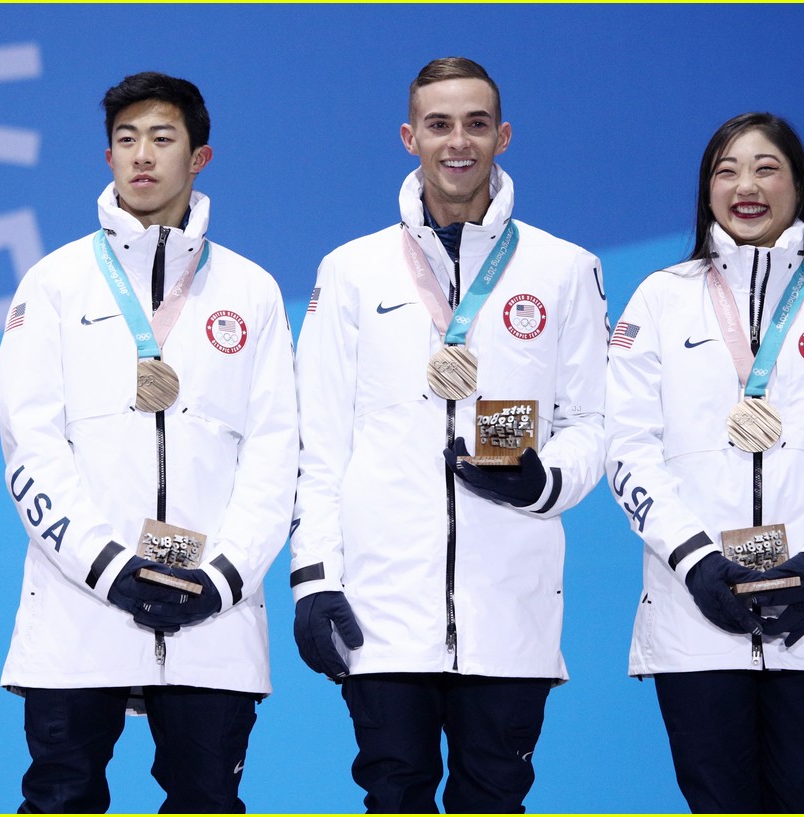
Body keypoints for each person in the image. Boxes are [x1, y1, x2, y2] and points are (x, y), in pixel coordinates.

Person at [289, 57, 606, 813]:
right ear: (409, 137)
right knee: (393, 795)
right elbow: (320, 442)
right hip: (383, 607)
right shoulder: (353, 270)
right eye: (438, 124)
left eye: (474, 123)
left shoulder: (565, 269)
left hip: (511, 603)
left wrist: (545, 480)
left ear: (503, 136)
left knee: (494, 799)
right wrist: (313, 576)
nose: (456, 141)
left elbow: (594, 423)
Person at [0, 72, 298, 813]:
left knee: (206, 803)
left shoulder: (252, 291)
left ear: (201, 157)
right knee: (60, 799)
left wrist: (223, 578)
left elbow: (276, 451)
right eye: (126, 140)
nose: (142, 156)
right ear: (108, 159)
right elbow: (29, 443)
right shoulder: (55, 281)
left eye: (163, 138)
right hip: (76, 606)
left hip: (213, 615)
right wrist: (107, 567)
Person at [603, 112, 804, 812]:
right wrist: (698, 563)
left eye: (765, 167)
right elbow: (626, 447)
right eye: (727, 170)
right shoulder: (660, 298)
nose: (745, 185)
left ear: (800, 184)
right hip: (696, 615)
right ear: (706, 191)